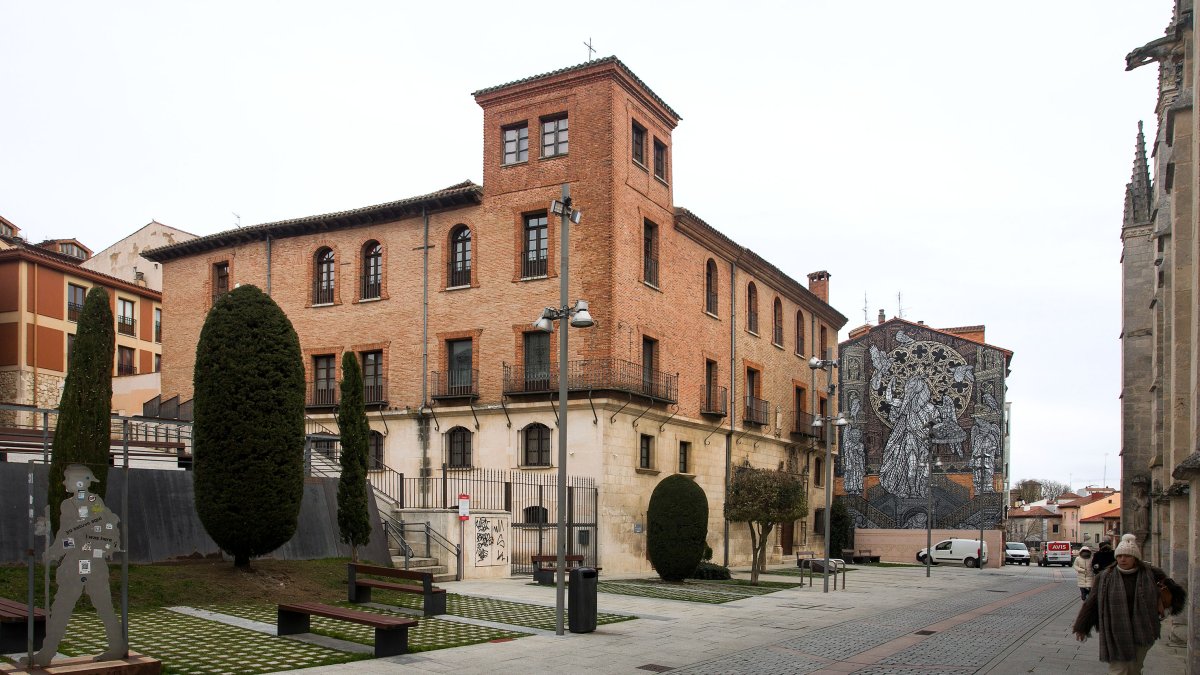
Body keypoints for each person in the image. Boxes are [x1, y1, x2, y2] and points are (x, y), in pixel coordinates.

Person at [27, 464, 126, 666]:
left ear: (80, 482)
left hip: (87, 564)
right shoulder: (74, 504)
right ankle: (48, 652)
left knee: (92, 607)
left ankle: (116, 646)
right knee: (67, 607)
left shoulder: (87, 503)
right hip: (83, 564)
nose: (64, 482)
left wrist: (55, 552)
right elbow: (68, 536)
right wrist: (55, 551)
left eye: (68, 479)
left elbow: (72, 537)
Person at [1073, 534, 1186, 674]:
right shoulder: (1105, 577)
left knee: (1134, 669)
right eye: (1119, 556)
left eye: (1127, 556)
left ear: (1135, 558)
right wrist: (1082, 627)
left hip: (1143, 630)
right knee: (1119, 670)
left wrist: (1166, 611)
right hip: (1116, 631)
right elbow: (1092, 603)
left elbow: (1177, 595)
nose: (1123, 559)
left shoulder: (1151, 574)